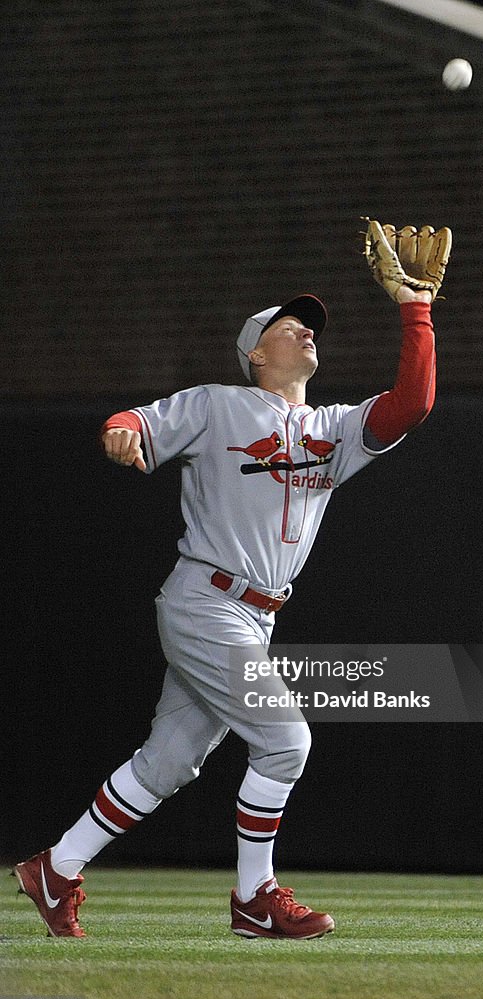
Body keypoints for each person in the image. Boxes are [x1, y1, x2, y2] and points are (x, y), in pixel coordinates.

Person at [13, 221, 448, 939]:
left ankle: (54, 870)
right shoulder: (218, 403)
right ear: (256, 351)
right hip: (204, 601)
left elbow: (413, 403)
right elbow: (132, 420)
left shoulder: (333, 430)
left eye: (311, 326)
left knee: (169, 763)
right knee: (285, 741)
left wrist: (414, 306)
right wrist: (118, 432)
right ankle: (255, 899)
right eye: (289, 324)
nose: (307, 331)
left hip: (255, 616)